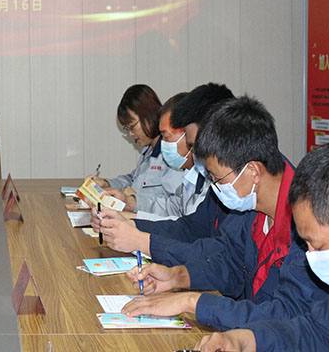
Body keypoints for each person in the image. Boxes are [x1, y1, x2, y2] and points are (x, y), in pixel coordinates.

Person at [119, 96, 321, 329]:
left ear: (253, 171)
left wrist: (192, 302)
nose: (215, 188)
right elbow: (231, 263)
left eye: (217, 179)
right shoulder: (252, 206)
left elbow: (284, 316)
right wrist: (176, 276)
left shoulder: (308, 226)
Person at [198, 143, 329, 352]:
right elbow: (316, 331)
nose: (311, 257)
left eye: (319, 247)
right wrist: (246, 339)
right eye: (306, 245)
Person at [92, 82, 234, 258]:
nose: (164, 144)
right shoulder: (194, 174)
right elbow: (183, 221)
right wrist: (130, 218)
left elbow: (198, 238)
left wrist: (138, 233)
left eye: (166, 137)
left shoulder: (223, 183)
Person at [91, 84, 183, 216]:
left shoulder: (172, 154)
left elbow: (175, 207)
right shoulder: (148, 150)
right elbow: (133, 179)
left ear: (149, 115)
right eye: (127, 129)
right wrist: (107, 183)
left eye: (132, 126)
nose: (131, 134)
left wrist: (133, 201)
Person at [133, 93, 210, 221]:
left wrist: (132, 221)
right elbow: (172, 208)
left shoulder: (210, 182)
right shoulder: (189, 176)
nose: (163, 143)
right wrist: (132, 208)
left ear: (189, 133)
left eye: (167, 137)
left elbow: (187, 227)